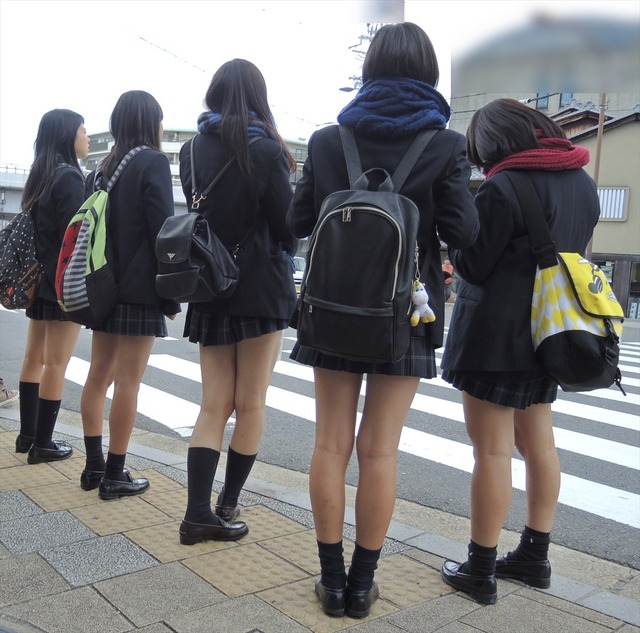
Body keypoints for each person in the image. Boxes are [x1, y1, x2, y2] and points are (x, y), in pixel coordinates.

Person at [287, 23, 478, 619]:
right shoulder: (445, 145)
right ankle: (363, 585)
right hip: (409, 312)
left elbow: (297, 221)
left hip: (332, 307)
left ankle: (331, 581)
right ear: (429, 73)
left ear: (369, 69)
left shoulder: (327, 140)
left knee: (330, 442)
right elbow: (465, 232)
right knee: (380, 450)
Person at [439, 99, 600, 605]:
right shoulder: (582, 183)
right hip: (549, 335)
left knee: (491, 451)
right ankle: (534, 555)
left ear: (493, 144)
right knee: (540, 447)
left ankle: (480, 568)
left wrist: (455, 233)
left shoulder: (503, 186)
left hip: (496, 339)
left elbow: (473, 264)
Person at [178, 59, 298, 545]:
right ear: (258, 97)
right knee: (250, 403)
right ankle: (227, 505)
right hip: (260, 290)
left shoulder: (190, 149)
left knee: (213, 405)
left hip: (208, 287)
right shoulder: (267, 151)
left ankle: (196, 514)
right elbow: (289, 226)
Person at [79, 91, 180, 500]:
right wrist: (170, 296)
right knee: (128, 382)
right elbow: (164, 232)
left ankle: (93, 466)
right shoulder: (152, 162)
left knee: (98, 375)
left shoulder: (99, 171)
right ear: (149, 122)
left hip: (102, 288)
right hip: (139, 292)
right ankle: (116, 474)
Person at [15, 109, 89, 462]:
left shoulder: (40, 176)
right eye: (83, 130)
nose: (86, 137)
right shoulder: (70, 177)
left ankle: (27, 436)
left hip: (37, 280)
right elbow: (75, 236)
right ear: (67, 136)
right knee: (56, 363)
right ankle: (43, 444)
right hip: (62, 283)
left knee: (34, 358)